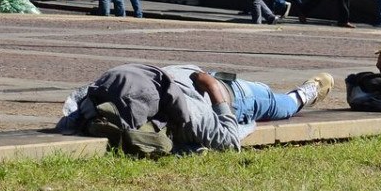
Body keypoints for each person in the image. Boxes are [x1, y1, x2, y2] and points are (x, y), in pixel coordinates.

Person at [59, 63, 334, 154]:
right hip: (233, 97)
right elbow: (228, 141)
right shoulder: (189, 111)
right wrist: (214, 88)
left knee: (276, 100)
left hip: (215, 85)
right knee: (281, 105)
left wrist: (210, 84)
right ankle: (302, 95)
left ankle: (302, 94)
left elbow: (72, 111)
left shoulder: (112, 88)